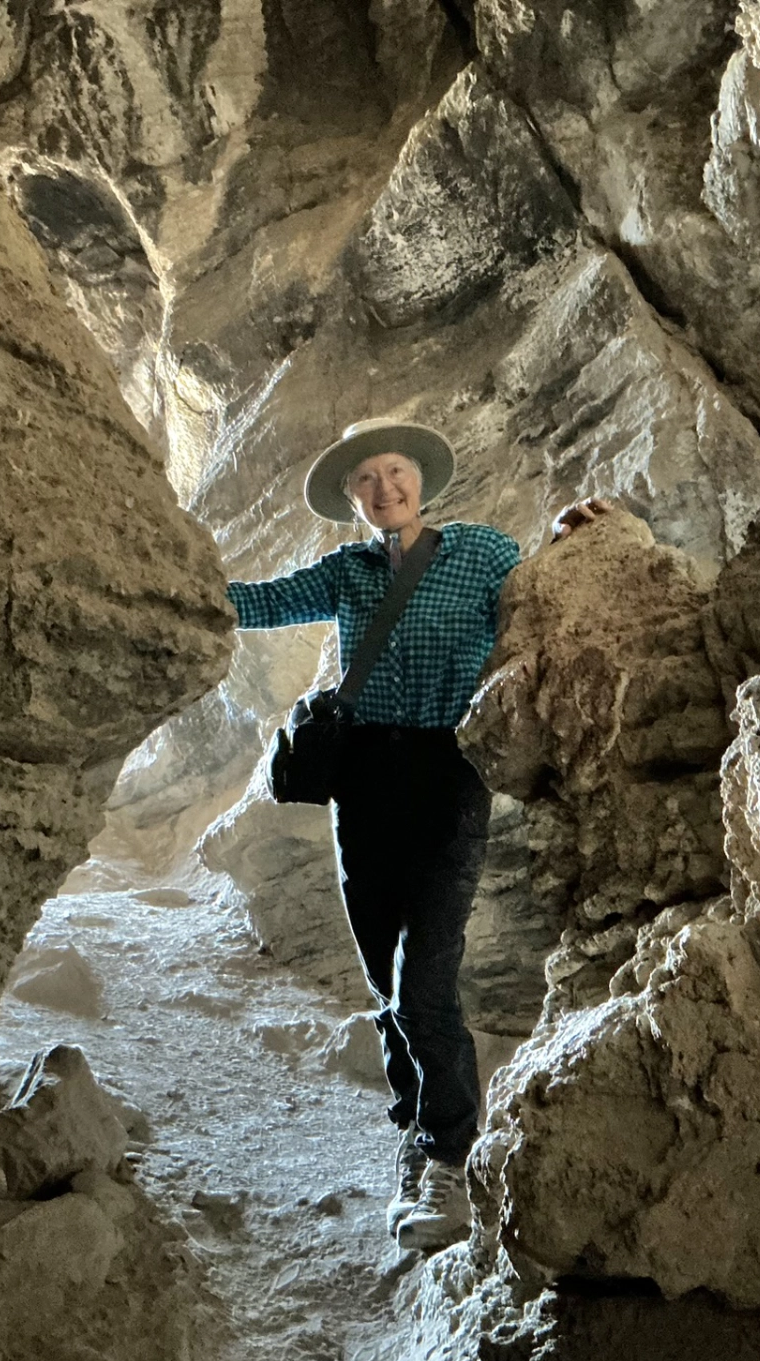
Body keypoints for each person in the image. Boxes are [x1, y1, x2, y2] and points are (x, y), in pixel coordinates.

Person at [224, 417, 609, 1252]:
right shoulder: (351, 569)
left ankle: (448, 1153)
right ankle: (416, 1124)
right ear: (354, 498)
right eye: (366, 480)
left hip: (448, 777)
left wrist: (568, 538)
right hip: (363, 784)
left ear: (419, 479)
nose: (382, 489)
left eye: (393, 472)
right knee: (381, 975)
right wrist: (172, 585)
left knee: (422, 977)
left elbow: (535, 588)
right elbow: (258, 602)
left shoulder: (477, 550)